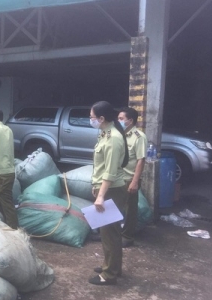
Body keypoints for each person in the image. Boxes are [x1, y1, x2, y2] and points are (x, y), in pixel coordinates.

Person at [89, 101, 129, 286]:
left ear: (102, 118)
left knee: (110, 233)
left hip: (111, 190)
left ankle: (109, 274)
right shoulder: (105, 133)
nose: (91, 120)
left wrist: (100, 196)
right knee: (109, 232)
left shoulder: (113, 138)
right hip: (105, 188)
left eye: (92, 117)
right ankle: (112, 266)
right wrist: (95, 186)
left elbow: (111, 172)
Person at [118, 107, 148, 248]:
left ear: (130, 121)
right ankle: (107, 232)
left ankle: (127, 236)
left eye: (121, 119)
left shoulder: (139, 137)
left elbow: (141, 160)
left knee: (130, 210)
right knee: (111, 206)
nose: (119, 121)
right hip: (117, 177)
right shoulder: (119, 134)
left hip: (129, 178)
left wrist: (135, 182)